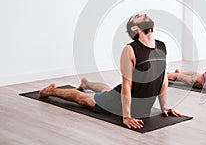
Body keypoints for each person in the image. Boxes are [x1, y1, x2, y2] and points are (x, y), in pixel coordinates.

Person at [39, 13, 181, 129]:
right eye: (138, 17)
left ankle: (86, 83)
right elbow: (126, 85)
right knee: (83, 99)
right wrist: (126, 116)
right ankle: (51, 91)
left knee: (107, 91)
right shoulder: (130, 50)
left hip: (141, 106)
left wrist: (165, 107)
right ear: (135, 28)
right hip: (120, 103)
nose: (143, 15)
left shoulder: (161, 46)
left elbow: (163, 79)